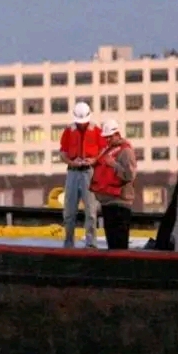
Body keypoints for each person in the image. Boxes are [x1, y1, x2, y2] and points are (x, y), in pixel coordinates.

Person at [58, 101, 105, 248]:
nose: (82, 124)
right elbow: (62, 153)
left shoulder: (96, 130)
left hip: (89, 172)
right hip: (73, 172)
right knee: (69, 211)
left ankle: (91, 244)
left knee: (91, 211)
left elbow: (103, 150)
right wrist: (72, 162)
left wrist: (94, 160)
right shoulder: (68, 131)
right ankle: (68, 243)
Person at [89, 119, 137, 250]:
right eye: (106, 137)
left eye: (110, 137)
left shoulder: (126, 151)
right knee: (112, 244)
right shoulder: (107, 151)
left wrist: (114, 164)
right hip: (107, 202)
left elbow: (130, 175)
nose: (108, 140)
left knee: (120, 244)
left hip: (120, 203)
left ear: (117, 134)